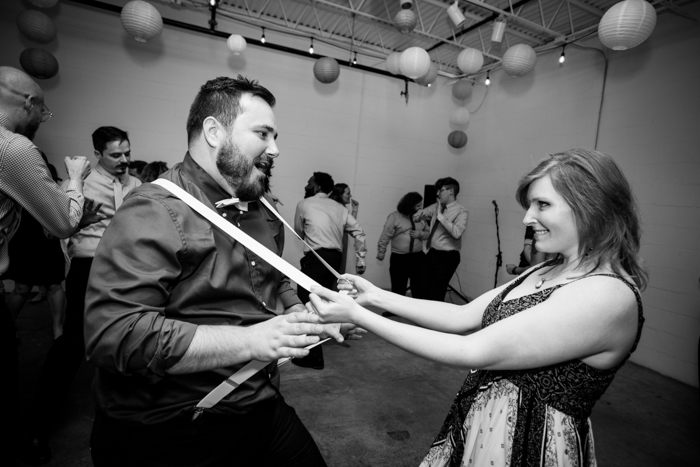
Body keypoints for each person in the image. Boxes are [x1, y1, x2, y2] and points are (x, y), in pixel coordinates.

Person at [309, 148, 647, 466]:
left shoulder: (606, 294)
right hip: (484, 425)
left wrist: (358, 316)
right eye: (530, 205)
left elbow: (471, 348)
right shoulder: (544, 269)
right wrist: (377, 297)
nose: (528, 218)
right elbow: (462, 315)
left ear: (592, 207)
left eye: (542, 205)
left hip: (531, 445)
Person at [83, 76, 340, 467]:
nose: (275, 149)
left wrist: (297, 314)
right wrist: (252, 341)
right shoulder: (154, 208)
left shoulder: (259, 205)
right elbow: (113, 335)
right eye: (262, 133)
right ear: (214, 131)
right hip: (171, 428)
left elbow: (275, 276)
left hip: (259, 402)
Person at [24, 126, 141, 463]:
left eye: (127, 153)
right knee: (73, 344)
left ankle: (132, 426)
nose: (124, 160)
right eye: (116, 155)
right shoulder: (80, 185)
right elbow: (50, 230)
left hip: (128, 270)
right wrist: (79, 220)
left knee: (130, 341)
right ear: (98, 153)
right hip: (90, 268)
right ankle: (35, 428)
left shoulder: (136, 186)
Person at [0, 66, 91, 465]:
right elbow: (64, 222)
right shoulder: (13, 149)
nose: (41, 120)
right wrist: (74, 177)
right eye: (44, 112)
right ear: (30, 103)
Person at [292, 172, 367, 370]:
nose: (307, 184)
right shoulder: (340, 208)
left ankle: (314, 356)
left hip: (316, 258)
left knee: (307, 300)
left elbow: (298, 231)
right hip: (335, 258)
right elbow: (358, 231)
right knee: (322, 301)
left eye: (310, 182)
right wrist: (361, 258)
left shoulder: (304, 204)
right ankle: (321, 343)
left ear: (317, 187)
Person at [2, 155, 67, 339]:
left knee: (54, 285)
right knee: (22, 287)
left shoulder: (53, 186)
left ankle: (58, 328)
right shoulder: (16, 184)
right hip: (25, 240)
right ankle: (8, 326)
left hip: (48, 240)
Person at [414, 177, 469, 301]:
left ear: (451, 191)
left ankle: (433, 319)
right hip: (432, 253)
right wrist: (418, 216)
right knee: (420, 287)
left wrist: (440, 216)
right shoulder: (437, 206)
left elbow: (457, 233)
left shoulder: (462, 211)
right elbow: (422, 212)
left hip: (447, 257)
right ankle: (422, 318)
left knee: (436, 293)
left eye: (441, 190)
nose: (437, 193)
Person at [377, 192, 428, 305]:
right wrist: (381, 251)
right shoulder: (394, 217)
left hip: (417, 257)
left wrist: (420, 234)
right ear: (410, 204)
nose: (421, 208)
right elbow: (386, 235)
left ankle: (419, 310)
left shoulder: (421, 217)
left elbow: (428, 233)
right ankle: (395, 309)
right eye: (418, 205)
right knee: (398, 285)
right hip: (399, 257)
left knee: (419, 286)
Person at [329, 182, 359, 274]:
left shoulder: (342, 208)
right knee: (335, 269)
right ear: (339, 194)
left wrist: (355, 209)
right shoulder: (336, 208)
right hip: (336, 241)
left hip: (341, 240)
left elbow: (349, 224)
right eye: (348, 193)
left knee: (339, 268)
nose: (350, 195)